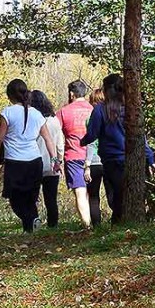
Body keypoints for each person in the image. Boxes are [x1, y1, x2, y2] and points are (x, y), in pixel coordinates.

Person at [0, 79, 60, 233]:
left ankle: (31, 221)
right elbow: (48, 139)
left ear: (10, 95)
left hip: (15, 162)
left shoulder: (7, 112)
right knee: (30, 197)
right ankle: (30, 228)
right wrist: (55, 160)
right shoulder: (37, 114)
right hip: (34, 161)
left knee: (15, 199)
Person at [81, 75, 155, 225]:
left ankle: (118, 223)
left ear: (106, 90)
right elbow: (141, 137)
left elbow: (92, 134)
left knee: (116, 195)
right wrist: (150, 157)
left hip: (111, 160)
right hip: (132, 157)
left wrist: (82, 141)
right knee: (126, 195)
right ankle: (123, 223)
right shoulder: (131, 109)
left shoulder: (100, 110)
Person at [57, 80, 95, 228]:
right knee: (92, 193)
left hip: (73, 156)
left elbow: (54, 132)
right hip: (94, 157)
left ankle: (86, 225)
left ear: (72, 94)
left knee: (80, 192)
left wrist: (57, 157)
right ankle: (94, 223)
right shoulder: (94, 110)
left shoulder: (63, 111)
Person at [31, 91, 63, 228]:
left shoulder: (32, 120)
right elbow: (60, 144)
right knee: (51, 199)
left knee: (32, 198)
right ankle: (53, 225)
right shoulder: (54, 121)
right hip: (52, 164)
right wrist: (59, 161)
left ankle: (34, 223)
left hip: (34, 164)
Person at [82, 88, 106, 227]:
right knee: (112, 193)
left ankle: (97, 226)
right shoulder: (113, 115)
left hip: (95, 162)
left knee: (94, 197)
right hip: (109, 160)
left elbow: (91, 143)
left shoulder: (91, 118)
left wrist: (87, 166)